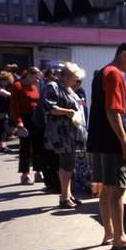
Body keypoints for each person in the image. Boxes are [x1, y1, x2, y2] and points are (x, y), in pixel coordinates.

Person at [86, 41, 126, 248]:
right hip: (112, 142)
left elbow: (112, 110)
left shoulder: (101, 72)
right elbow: (113, 111)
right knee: (118, 190)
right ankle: (119, 236)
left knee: (106, 190)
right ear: (124, 55)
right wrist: (125, 142)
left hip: (99, 139)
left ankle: (109, 233)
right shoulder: (115, 74)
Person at [43, 62, 87, 209]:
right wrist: (69, 112)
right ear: (66, 76)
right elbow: (49, 107)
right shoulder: (53, 86)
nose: (76, 81)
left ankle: (68, 194)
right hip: (61, 133)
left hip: (70, 133)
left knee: (69, 165)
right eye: (74, 78)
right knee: (67, 165)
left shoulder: (68, 88)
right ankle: (64, 197)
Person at [10, 67, 41, 185]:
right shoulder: (17, 86)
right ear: (28, 75)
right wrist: (19, 122)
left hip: (35, 118)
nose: (38, 80)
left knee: (38, 146)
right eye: (36, 77)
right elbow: (13, 106)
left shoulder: (34, 86)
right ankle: (25, 174)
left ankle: (38, 172)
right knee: (25, 148)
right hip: (25, 118)